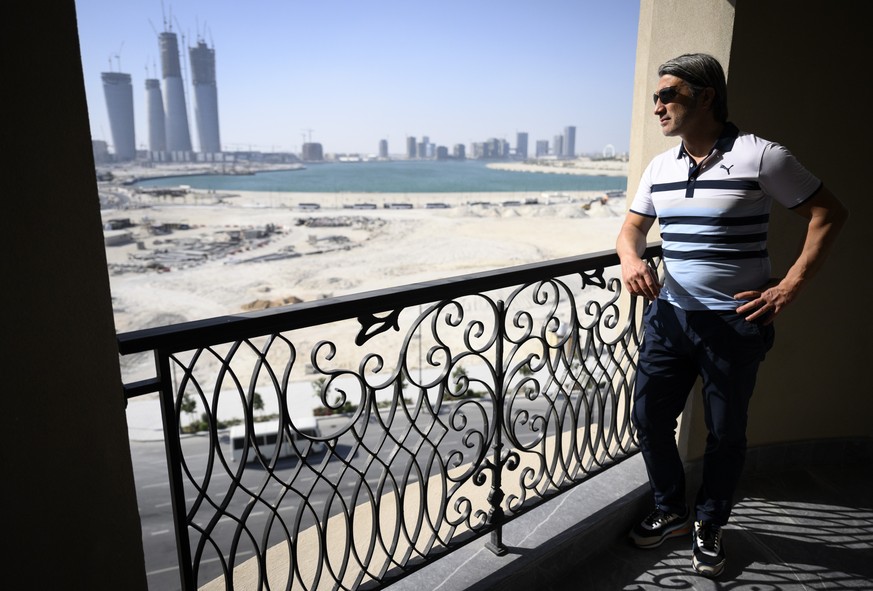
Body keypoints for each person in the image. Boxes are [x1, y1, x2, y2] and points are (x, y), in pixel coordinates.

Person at [617, 53, 848, 578]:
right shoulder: (660, 167)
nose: (657, 106)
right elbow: (631, 229)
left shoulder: (761, 156)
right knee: (649, 419)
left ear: (706, 96)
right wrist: (631, 259)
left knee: (725, 433)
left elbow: (828, 213)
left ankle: (709, 522)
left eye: (668, 94)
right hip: (669, 319)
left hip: (734, 325)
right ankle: (671, 509)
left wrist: (789, 287)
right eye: (655, 96)